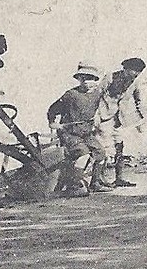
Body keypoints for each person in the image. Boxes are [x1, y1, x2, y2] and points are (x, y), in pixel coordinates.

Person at [46, 63, 108, 195]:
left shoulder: (97, 94)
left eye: (90, 78)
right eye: (82, 78)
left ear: (96, 80)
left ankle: (95, 183)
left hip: (86, 132)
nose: (86, 81)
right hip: (69, 133)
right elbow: (53, 109)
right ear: (79, 79)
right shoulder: (71, 95)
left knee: (101, 153)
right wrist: (53, 123)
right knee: (83, 153)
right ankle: (74, 186)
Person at [97, 57, 147, 188]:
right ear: (125, 69)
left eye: (138, 73)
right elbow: (96, 96)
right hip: (104, 118)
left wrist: (141, 120)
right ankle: (98, 180)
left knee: (119, 147)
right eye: (134, 72)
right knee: (104, 149)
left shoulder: (134, 82)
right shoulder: (110, 77)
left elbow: (139, 101)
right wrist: (96, 117)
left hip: (119, 120)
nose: (135, 76)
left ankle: (119, 178)